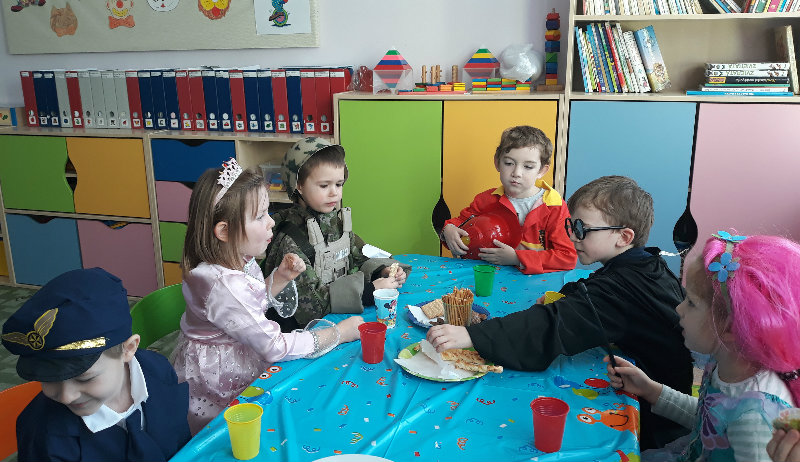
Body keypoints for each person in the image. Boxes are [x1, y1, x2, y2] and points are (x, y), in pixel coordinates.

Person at [427, 175, 693, 450]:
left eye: (581, 228)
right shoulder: (645, 265)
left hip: (657, 423)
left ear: (623, 237)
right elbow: (596, 284)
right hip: (663, 391)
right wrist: (565, 296)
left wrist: (472, 336)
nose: (572, 236)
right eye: (571, 225)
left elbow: (550, 325)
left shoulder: (621, 292)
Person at [171, 158, 364, 434]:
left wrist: (279, 278)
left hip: (240, 351)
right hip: (219, 378)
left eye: (268, 212)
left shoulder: (237, 257)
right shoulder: (224, 285)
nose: (272, 222)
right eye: (260, 216)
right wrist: (339, 333)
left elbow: (248, 308)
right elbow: (274, 346)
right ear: (224, 231)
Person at [606, 232, 800, 461]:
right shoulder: (725, 359)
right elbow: (709, 419)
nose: (678, 309)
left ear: (730, 328)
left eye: (691, 302)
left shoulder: (754, 421)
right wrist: (651, 390)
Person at [1, 267, 191, 462]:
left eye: (85, 378)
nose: (66, 396)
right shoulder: (43, 437)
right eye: (49, 379)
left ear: (128, 349)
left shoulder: (158, 369)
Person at [261, 137, 411, 329]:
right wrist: (369, 290)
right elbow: (311, 305)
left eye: (339, 184)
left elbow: (358, 255)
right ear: (299, 185)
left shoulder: (334, 221)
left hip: (336, 318)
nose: (334, 193)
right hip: (300, 331)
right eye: (324, 186)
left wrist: (382, 271)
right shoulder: (291, 239)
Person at [440, 125, 577, 274]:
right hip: (491, 276)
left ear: (542, 170)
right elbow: (461, 224)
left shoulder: (555, 207)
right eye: (509, 163)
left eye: (528, 166)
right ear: (497, 163)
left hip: (535, 282)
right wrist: (448, 230)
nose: (517, 173)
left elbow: (567, 257)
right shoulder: (486, 199)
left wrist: (517, 258)